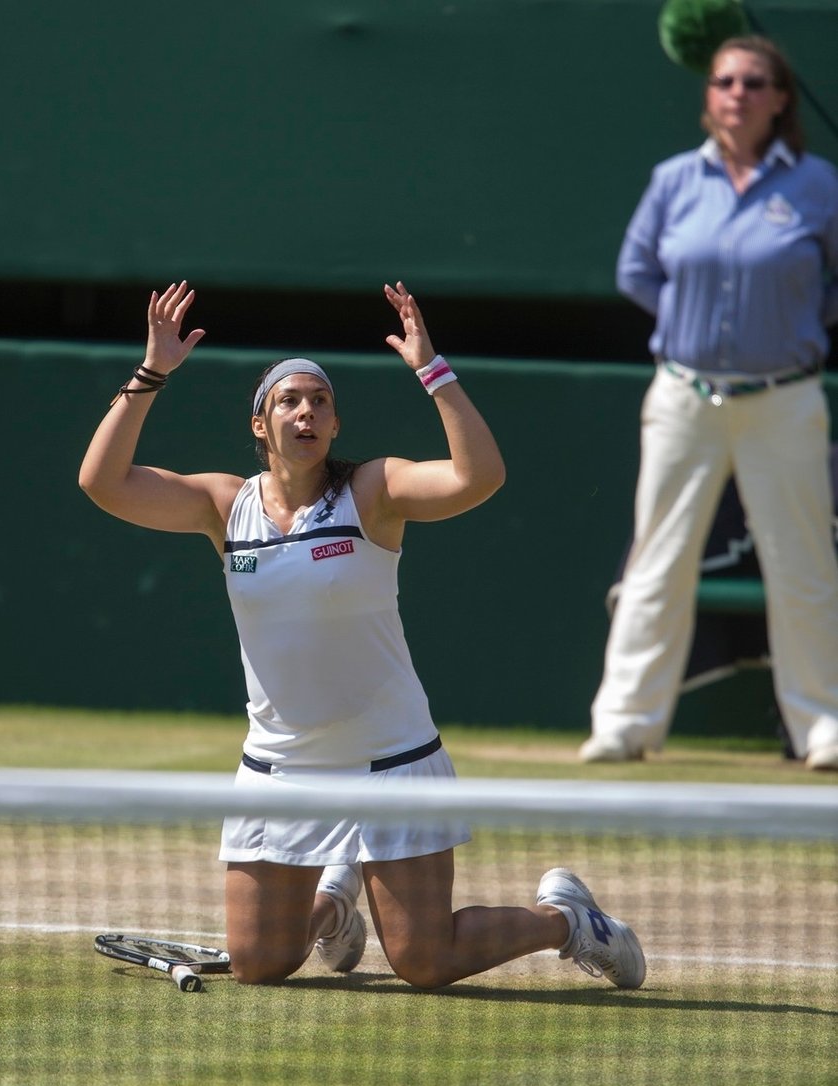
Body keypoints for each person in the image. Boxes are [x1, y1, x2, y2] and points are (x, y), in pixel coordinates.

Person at [79, 279, 645, 991]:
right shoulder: (223, 506)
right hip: (280, 768)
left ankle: (567, 919)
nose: (306, 409)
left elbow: (482, 476)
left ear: (335, 426)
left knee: (424, 962)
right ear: (261, 425)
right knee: (259, 963)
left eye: (320, 401)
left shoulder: (373, 493)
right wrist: (152, 372)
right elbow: (102, 481)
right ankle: (333, 906)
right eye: (289, 399)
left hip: (391, 758)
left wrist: (432, 371)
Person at [581, 34, 838, 771]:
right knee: (657, 557)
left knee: (804, 563)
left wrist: (790, 328)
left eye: (754, 82)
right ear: (709, 95)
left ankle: (822, 726)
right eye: (725, 81)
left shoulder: (819, 185)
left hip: (785, 398)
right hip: (684, 396)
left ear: (780, 98)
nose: (737, 93)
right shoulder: (673, 180)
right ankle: (625, 723)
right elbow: (637, 268)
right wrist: (680, 327)